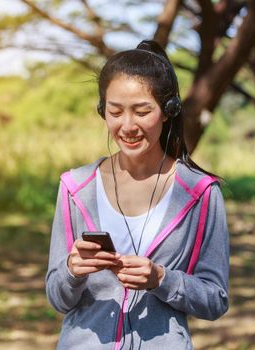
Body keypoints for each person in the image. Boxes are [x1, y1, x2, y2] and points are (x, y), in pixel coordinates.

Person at [46, 40, 229, 350]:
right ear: (103, 110)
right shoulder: (76, 187)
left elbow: (215, 299)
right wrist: (72, 271)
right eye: (115, 112)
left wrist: (161, 279)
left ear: (168, 111)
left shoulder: (201, 193)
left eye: (142, 111)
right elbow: (57, 297)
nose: (127, 126)